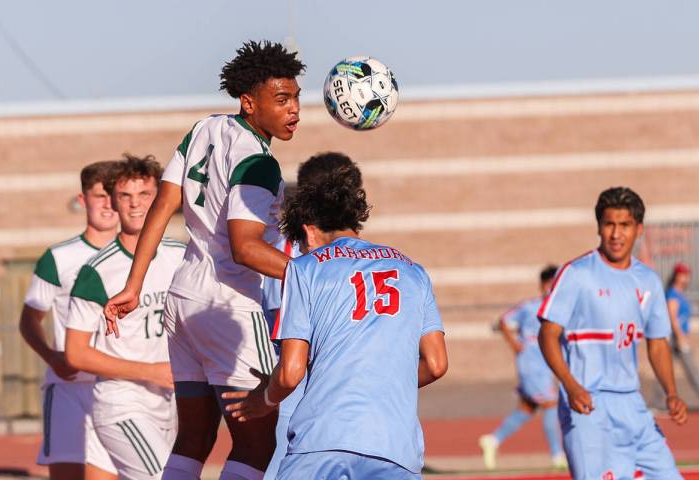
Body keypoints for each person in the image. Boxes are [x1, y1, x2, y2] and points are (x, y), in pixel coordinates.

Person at [102, 40, 305, 480]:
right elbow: (245, 247)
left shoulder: (203, 129)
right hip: (228, 305)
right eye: (282, 99)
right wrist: (314, 275)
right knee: (257, 442)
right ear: (249, 102)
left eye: (296, 98)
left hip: (182, 299)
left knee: (193, 440)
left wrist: (135, 284)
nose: (295, 110)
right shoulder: (258, 161)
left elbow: (162, 207)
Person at [222, 157, 449, 479]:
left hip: (322, 436)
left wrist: (264, 400)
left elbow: (291, 372)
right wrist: (381, 383)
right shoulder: (413, 271)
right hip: (395, 443)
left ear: (309, 232)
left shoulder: (305, 269)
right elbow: (437, 364)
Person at [538, 186, 688, 480]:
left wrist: (672, 393)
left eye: (625, 225)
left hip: (632, 403)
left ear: (638, 229)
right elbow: (547, 335)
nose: (616, 234)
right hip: (587, 405)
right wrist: (571, 385)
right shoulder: (577, 273)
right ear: (599, 227)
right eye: (609, 224)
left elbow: (657, 344)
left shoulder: (647, 280)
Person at [65, 155, 185, 479]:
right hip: (122, 403)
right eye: (125, 196)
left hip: (170, 404)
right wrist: (149, 371)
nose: (134, 205)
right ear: (114, 204)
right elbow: (75, 353)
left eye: (144, 194)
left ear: (161, 199)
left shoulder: (181, 256)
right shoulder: (97, 271)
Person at [260, 152, 361, 480]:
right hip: (298, 373)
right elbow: (279, 318)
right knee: (283, 459)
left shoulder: (351, 255)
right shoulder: (287, 251)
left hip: (321, 375)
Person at [19, 160, 119, 480]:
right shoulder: (59, 257)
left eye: (113, 195)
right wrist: (53, 357)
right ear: (82, 200)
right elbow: (29, 320)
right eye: (99, 195)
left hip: (122, 388)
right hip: (70, 390)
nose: (107, 204)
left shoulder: (141, 256)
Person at [479, 265, 565, 470]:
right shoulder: (530, 307)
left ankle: (492, 440)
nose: (551, 288)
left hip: (545, 367)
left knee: (526, 409)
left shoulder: (561, 308)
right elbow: (502, 321)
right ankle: (557, 455)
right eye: (549, 284)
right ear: (542, 285)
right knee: (551, 405)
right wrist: (514, 343)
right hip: (531, 365)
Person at [666, 262, 699, 396]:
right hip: (675, 339)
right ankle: (656, 402)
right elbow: (673, 317)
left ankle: (657, 401)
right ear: (676, 276)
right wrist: (680, 338)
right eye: (683, 275)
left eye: (687, 275)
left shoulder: (680, 294)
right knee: (692, 369)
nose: (686, 278)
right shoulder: (673, 294)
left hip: (679, 338)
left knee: (666, 370)